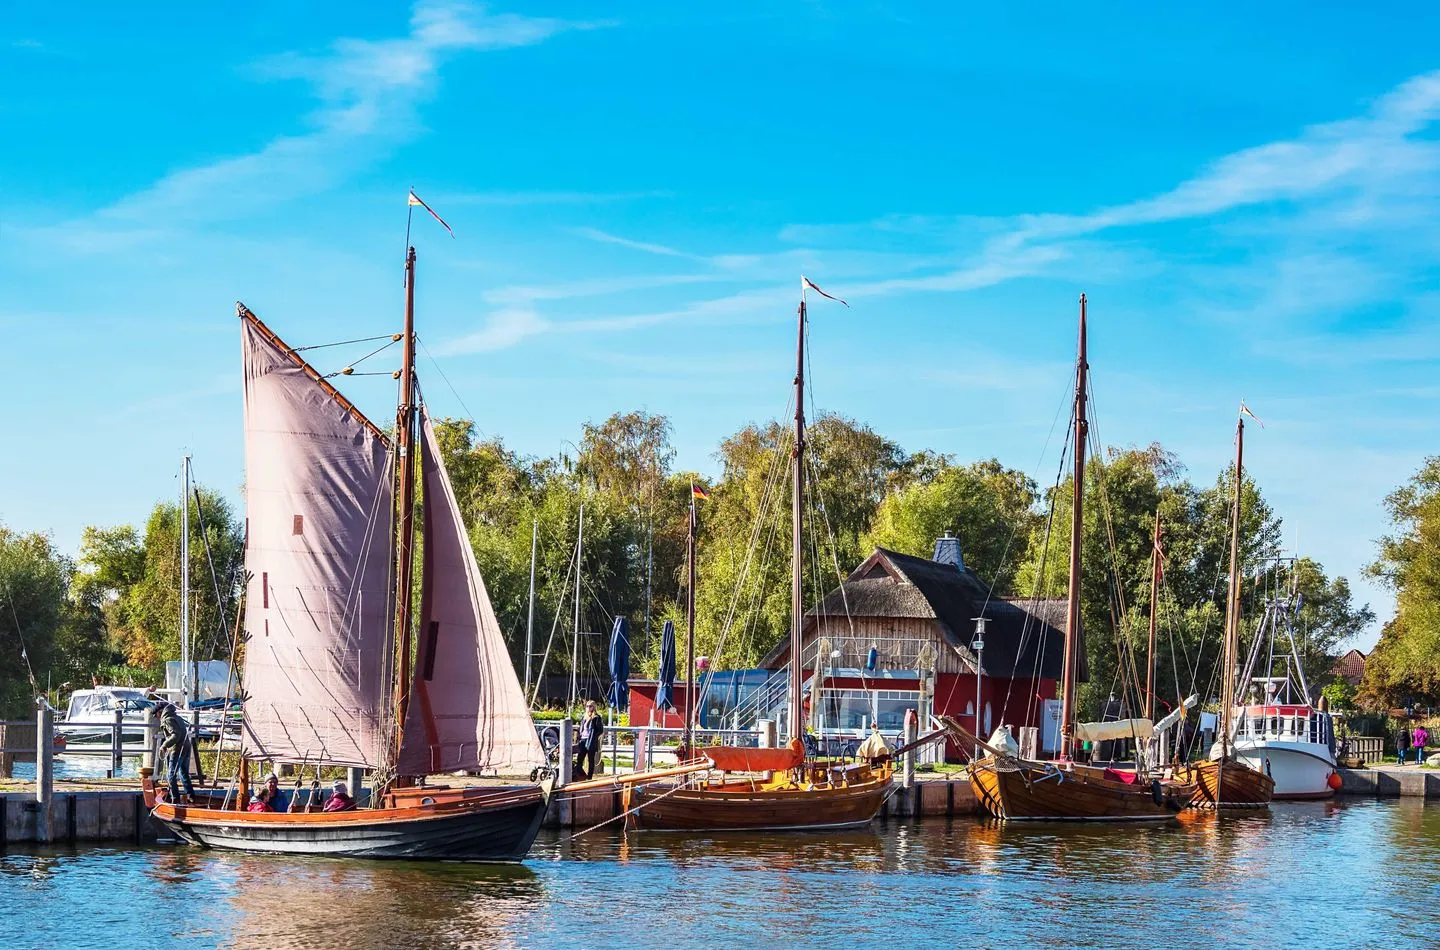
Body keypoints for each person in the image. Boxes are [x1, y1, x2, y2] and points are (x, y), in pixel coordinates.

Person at [158, 703, 196, 804]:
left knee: (171, 774)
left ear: (160, 712)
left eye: (156, 715)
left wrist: (165, 745)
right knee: (183, 773)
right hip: (186, 747)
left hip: (177, 749)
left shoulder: (168, 720)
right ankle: (190, 795)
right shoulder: (178, 718)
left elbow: (176, 735)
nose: (157, 717)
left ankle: (175, 798)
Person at [573, 701, 605, 780]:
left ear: (594, 707)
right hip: (583, 739)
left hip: (590, 740)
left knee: (591, 759)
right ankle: (580, 775)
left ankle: (589, 776)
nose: (588, 707)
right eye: (587, 706)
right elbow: (582, 729)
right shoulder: (584, 717)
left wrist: (594, 736)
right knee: (580, 758)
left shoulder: (596, 718)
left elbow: (600, 730)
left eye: (590, 706)